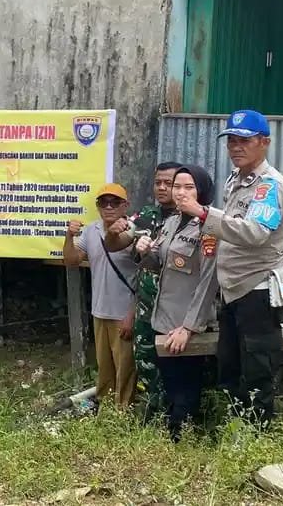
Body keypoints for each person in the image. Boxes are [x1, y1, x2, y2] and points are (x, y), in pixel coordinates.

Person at [176, 110, 283, 425]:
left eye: (245, 140)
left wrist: (203, 215)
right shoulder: (236, 179)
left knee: (257, 368)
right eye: (231, 140)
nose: (236, 147)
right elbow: (229, 225)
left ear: (264, 142)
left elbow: (255, 233)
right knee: (229, 366)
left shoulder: (269, 187)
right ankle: (235, 426)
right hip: (231, 289)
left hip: (255, 289)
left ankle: (255, 434)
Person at [134, 166, 219, 441]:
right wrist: (145, 252)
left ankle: (183, 440)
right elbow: (159, 265)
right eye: (177, 187)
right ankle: (172, 435)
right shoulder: (172, 222)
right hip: (164, 319)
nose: (180, 193)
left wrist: (189, 327)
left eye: (189, 187)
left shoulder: (209, 227)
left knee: (187, 385)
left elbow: (209, 282)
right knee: (170, 383)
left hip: (187, 325)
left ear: (202, 191)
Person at [105, 162, 180, 420]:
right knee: (146, 359)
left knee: (177, 362)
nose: (161, 187)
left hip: (177, 307)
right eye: (158, 182)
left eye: (167, 183)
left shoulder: (191, 218)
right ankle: (153, 414)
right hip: (146, 304)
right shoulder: (146, 217)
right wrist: (113, 233)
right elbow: (115, 245)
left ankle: (178, 417)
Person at [63, 183, 138, 408]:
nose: (108, 206)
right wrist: (69, 236)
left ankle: (124, 414)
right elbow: (72, 260)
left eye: (114, 202)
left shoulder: (133, 230)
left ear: (125, 205)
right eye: (103, 202)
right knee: (105, 368)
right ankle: (106, 411)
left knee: (125, 369)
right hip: (100, 311)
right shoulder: (91, 230)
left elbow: (143, 275)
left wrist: (131, 314)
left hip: (123, 312)